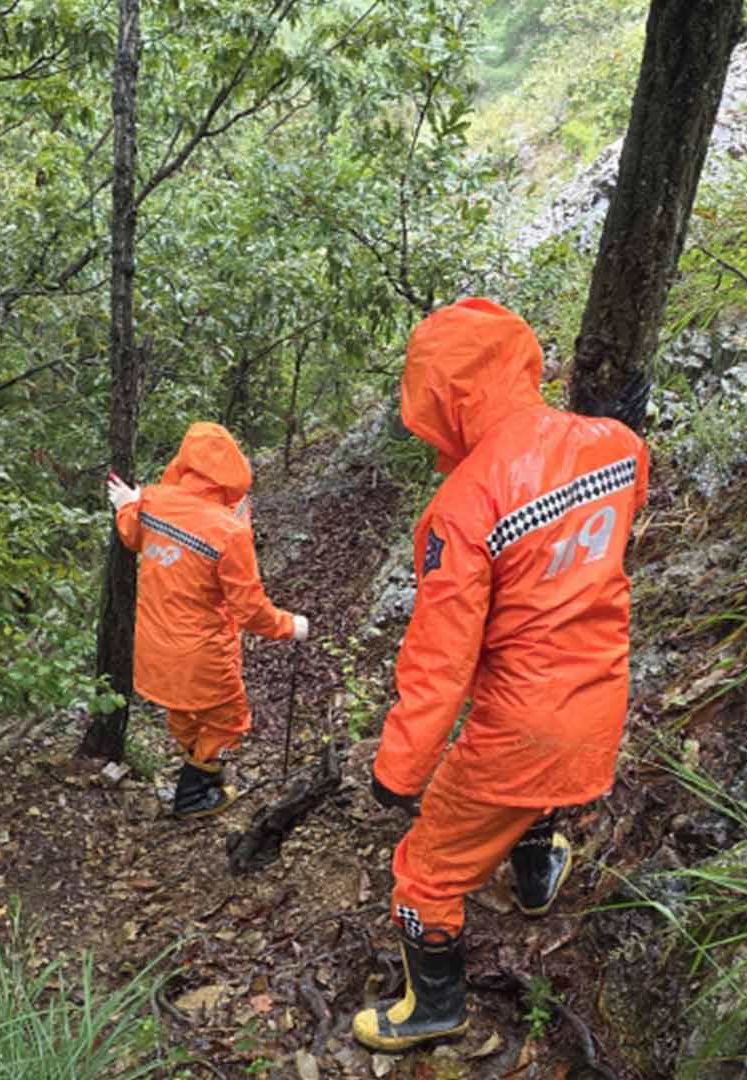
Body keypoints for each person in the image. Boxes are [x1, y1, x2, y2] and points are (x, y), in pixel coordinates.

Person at [351, 299, 650, 1051]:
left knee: (425, 869)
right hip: (600, 707)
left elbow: (440, 661)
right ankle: (536, 878)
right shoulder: (617, 446)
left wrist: (400, 767)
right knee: (534, 797)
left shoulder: (462, 507)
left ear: (442, 398)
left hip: (520, 726)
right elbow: (625, 499)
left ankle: (434, 1009)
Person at [106, 422, 310, 820]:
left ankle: (201, 772)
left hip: (153, 651)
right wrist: (291, 626)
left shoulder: (155, 501)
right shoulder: (229, 532)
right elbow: (250, 611)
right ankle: (194, 794)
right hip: (202, 655)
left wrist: (128, 503)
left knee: (183, 712)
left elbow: (133, 534)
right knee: (229, 717)